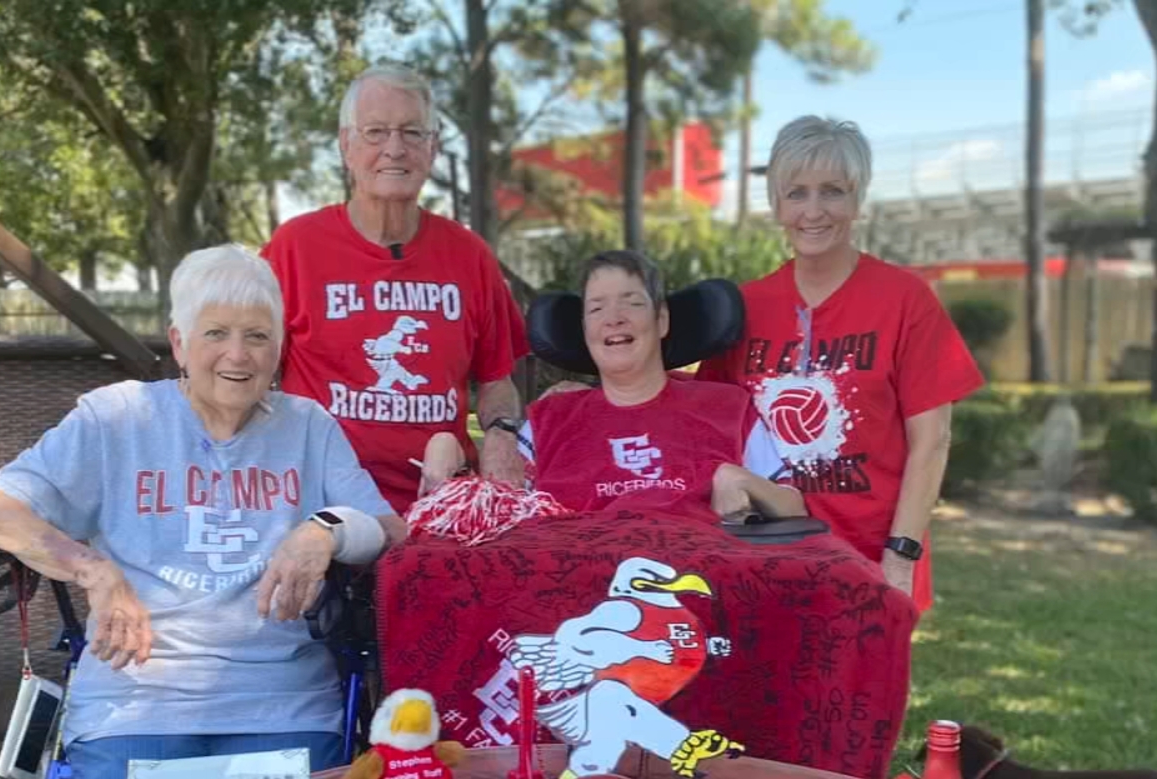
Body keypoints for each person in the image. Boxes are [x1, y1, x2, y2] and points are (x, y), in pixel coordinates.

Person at [0, 244, 405, 779]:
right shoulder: (118, 418)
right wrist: (94, 569)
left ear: (279, 348)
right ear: (178, 340)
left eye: (258, 335)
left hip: (278, 697)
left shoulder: (308, 426)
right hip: (138, 698)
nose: (238, 354)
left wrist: (322, 530)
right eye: (216, 333)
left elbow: (387, 526)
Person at [696, 115, 984, 613]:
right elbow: (705, 424)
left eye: (832, 191)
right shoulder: (745, 307)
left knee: (865, 692)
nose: (813, 211)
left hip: (872, 556)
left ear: (856, 199)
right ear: (777, 203)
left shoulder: (904, 299)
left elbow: (932, 441)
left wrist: (901, 558)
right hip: (767, 555)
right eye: (796, 193)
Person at [262, 64, 530, 515]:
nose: (394, 149)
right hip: (322, 503)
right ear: (346, 145)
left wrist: (503, 434)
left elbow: (496, 381)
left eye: (411, 132)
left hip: (441, 499)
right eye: (375, 132)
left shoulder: (469, 255)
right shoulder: (293, 249)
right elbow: (246, 365)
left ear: (433, 147)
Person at [425, 250, 805, 525]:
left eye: (632, 303)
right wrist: (444, 452)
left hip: (701, 601)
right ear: (584, 331)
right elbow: (497, 512)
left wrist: (737, 478)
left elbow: (792, 505)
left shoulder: (728, 409)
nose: (614, 319)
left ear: (661, 320)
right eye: (596, 308)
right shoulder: (550, 420)